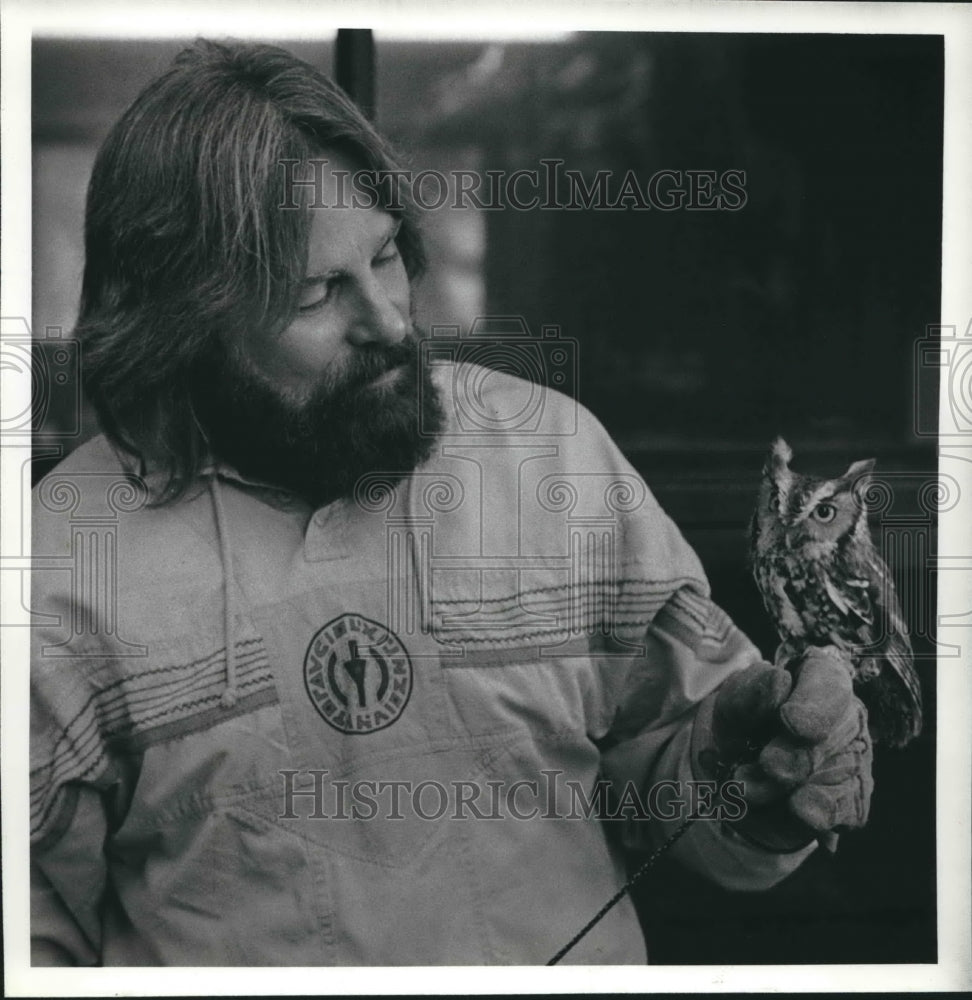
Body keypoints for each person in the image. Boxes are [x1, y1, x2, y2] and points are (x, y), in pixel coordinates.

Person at [30, 39, 873, 966]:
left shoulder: (549, 453)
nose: (389, 321)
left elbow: (671, 770)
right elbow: (34, 942)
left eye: (387, 255)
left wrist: (750, 765)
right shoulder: (66, 559)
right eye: (318, 292)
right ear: (186, 325)